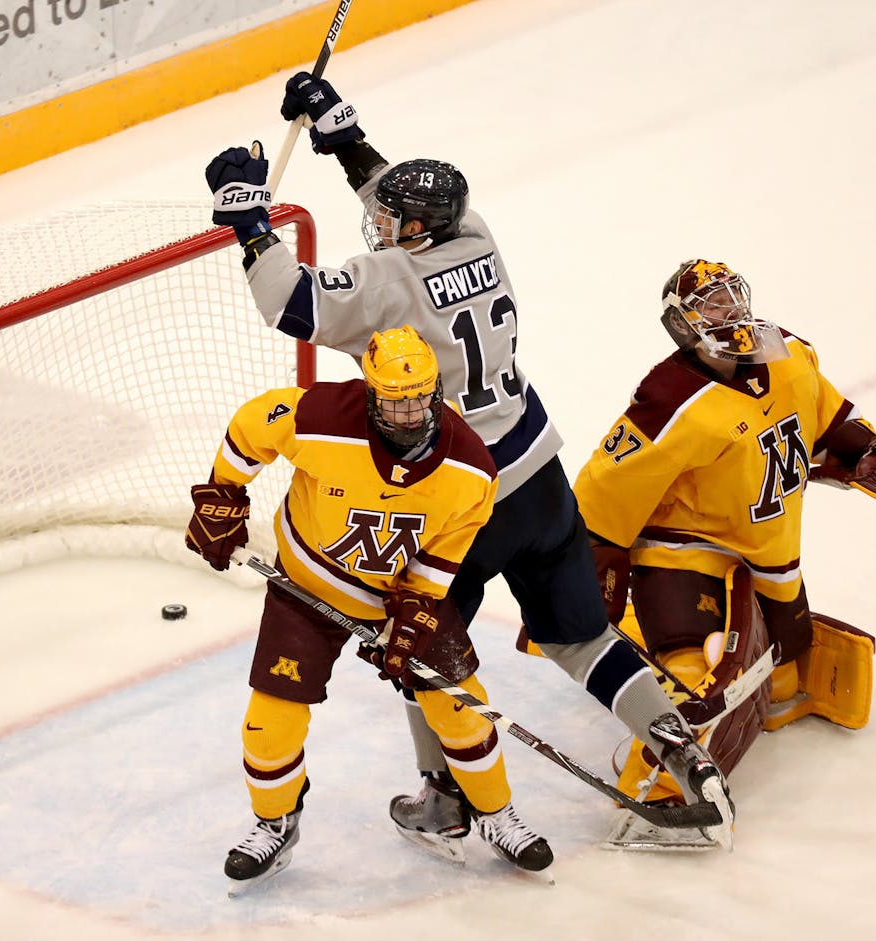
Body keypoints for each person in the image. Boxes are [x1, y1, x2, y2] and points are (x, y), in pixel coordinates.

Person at [202, 72, 731, 858]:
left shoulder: (384, 280)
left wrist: (247, 215)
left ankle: (446, 800)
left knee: (422, 647)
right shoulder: (476, 233)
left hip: (458, 498)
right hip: (538, 476)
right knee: (583, 636)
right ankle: (679, 746)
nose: (378, 221)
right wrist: (339, 132)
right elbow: (399, 196)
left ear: (413, 230)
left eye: (391, 218)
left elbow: (292, 304)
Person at [184, 327, 552, 891]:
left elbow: (439, 559)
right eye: (392, 400)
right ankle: (275, 823)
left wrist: (414, 614)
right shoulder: (322, 416)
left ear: (437, 392)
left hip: (396, 596)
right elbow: (252, 426)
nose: (407, 413)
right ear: (372, 392)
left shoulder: (472, 471)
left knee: (462, 706)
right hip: (306, 585)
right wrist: (225, 492)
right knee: (269, 721)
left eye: (418, 398)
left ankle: (496, 813)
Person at [570, 259, 876, 807]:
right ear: (682, 324)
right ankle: (665, 782)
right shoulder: (672, 400)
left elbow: (830, 415)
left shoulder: (789, 355)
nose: (728, 312)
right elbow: (608, 486)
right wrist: (592, 562)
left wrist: (862, 449)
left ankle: (775, 696)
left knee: (786, 659)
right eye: (710, 304)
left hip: (769, 541)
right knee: (688, 660)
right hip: (682, 543)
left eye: (731, 297)